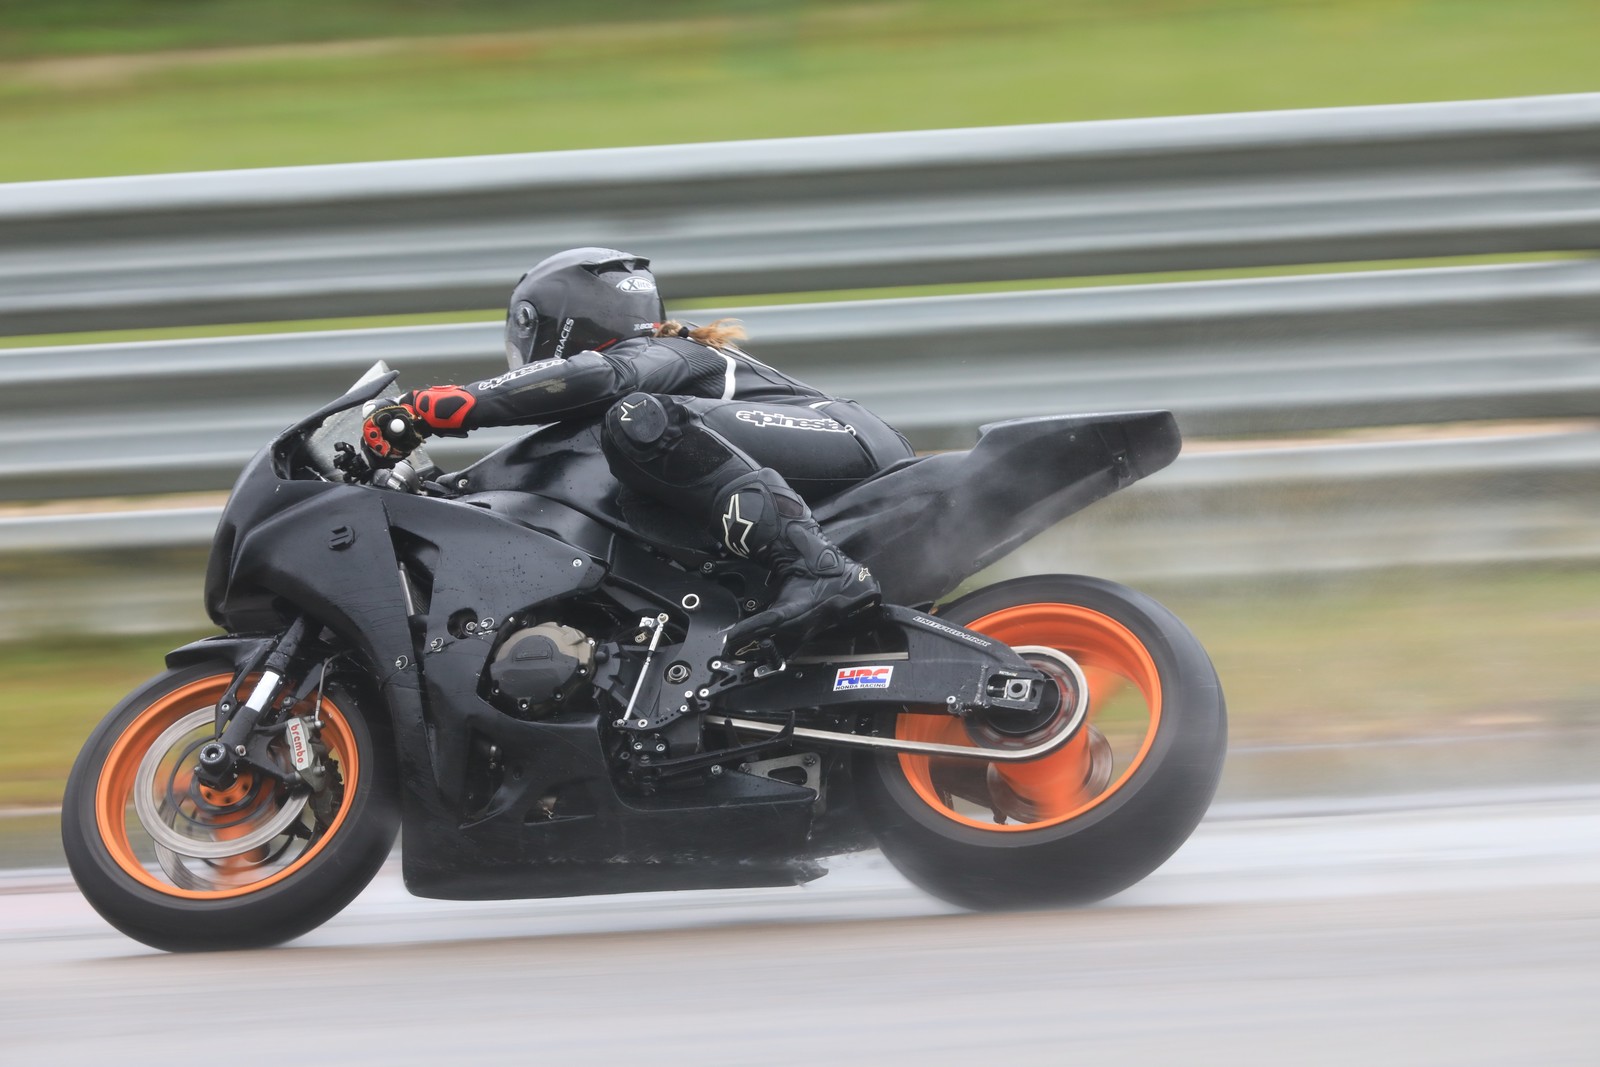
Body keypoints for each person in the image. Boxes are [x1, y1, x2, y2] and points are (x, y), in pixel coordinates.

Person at [362, 247, 915, 653]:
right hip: (833, 447)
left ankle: (821, 570)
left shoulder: (660, 352)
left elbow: (599, 378)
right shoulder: (634, 399)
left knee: (638, 419)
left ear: (556, 322)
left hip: (845, 433)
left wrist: (431, 408)